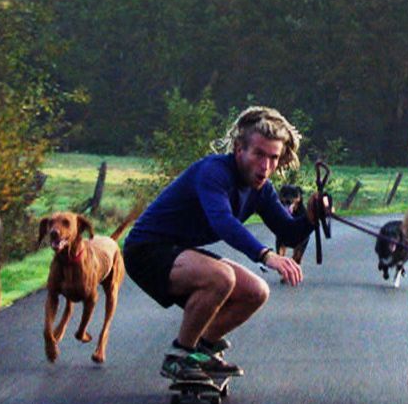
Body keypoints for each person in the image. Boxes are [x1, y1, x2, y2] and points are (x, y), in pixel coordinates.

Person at [122, 106, 325, 382]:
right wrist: (266, 255)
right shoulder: (214, 171)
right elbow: (223, 222)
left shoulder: (262, 190)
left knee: (257, 291)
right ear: (240, 149)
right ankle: (179, 357)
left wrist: (312, 216)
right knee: (222, 277)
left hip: (179, 252)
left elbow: (289, 233)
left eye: (273, 158)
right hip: (146, 250)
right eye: (259, 154)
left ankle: (202, 351)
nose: (266, 166)